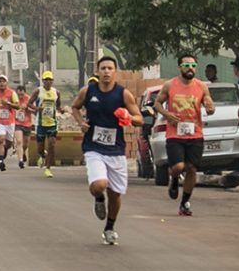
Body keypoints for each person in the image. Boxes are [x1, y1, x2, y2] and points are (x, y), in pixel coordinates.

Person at [71, 56, 143, 245]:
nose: (106, 72)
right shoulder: (88, 92)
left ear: (115, 71)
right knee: (99, 185)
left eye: (110, 68)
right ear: (97, 71)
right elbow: (75, 107)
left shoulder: (123, 94)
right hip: (93, 147)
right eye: (103, 68)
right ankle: (98, 198)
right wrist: (81, 123)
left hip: (116, 149)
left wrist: (128, 116)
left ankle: (110, 227)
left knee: (116, 193)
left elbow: (139, 119)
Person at [154, 54, 215, 216]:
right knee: (178, 167)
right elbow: (157, 103)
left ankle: (184, 202)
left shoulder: (201, 86)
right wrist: (167, 115)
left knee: (192, 169)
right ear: (179, 67)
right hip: (175, 134)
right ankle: (174, 179)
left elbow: (209, 104)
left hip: (195, 134)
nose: (190, 68)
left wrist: (210, 108)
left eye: (193, 65)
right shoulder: (169, 85)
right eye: (187, 65)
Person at [29, 71, 62, 177]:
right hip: (40, 123)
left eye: (50, 80)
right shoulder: (38, 91)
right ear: (43, 81)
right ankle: (42, 155)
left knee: (52, 144)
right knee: (40, 148)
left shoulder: (56, 92)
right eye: (46, 80)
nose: (48, 82)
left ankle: (48, 169)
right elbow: (29, 103)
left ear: (52, 81)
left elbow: (58, 106)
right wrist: (37, 108)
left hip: (52, 123)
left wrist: (62, 111)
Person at [0, 75, 20, 172]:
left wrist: (8, 103)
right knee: (0, 139)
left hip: (9, 121)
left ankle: (5, 151)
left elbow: (18, 106)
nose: (1, 83)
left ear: (7, 83)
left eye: (3, 81)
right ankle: (1, 161)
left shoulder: (12, 93)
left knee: (9, 144)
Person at [14, 85, 35, 170]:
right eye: (19, 94)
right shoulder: (14, 99)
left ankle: (22, 153)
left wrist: (27, 108)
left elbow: (34, 110)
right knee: (19, 141)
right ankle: (20, 161)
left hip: (27, 123)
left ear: (25, 92)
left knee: (25, 144)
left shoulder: (29, 99)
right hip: (17, 123)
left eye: (22, 94)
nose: (20, 96)